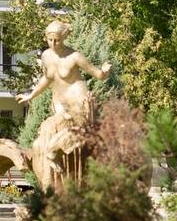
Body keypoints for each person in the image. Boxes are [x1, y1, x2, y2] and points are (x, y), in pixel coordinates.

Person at [14, 20, 111, 185]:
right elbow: (47, 79)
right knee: (51, 128)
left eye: (57, 40)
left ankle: (53, 153)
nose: (53, 43)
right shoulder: (46, 56)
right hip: (59, 100)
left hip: (77, 98)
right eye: (50, 40)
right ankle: (54, 171)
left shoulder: (74, 56)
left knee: (63, 125)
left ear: (64, 38)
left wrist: (104, 71)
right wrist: (31, 95)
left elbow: (98, 74)